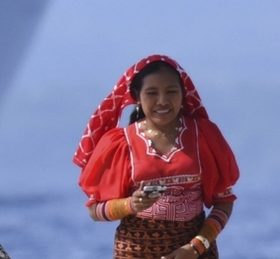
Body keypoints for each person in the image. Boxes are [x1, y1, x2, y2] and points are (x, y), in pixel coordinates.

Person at [75, 55, 240, 259]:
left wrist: (196, 246)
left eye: (171, 92)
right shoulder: (119, 143)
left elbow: (224, 200)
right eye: (152, 93)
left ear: (183, 94)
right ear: (137, 96)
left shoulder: (204, 136)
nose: (162, 101)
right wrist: (130, 205)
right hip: (135, 252)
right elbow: (95, 211)